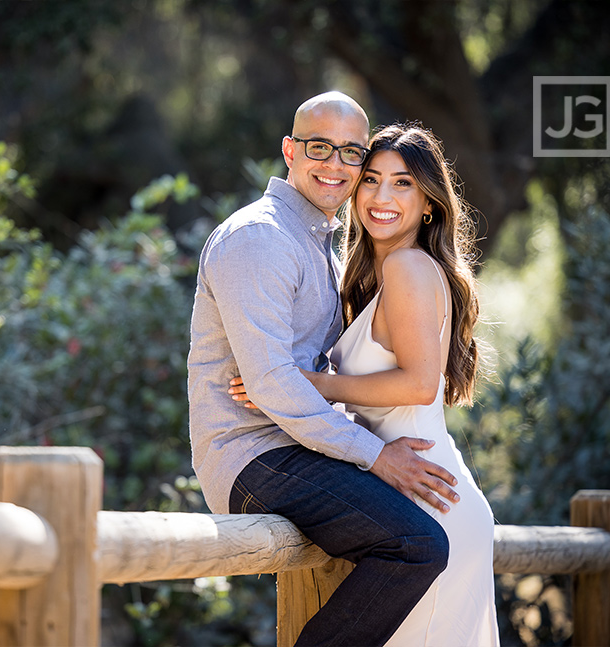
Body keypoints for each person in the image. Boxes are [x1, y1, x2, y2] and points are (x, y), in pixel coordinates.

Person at [188, 92, 461, 646]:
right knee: (415, 546)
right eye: (320, 147)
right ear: (290, 151)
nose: (336, 165)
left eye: (351, 153)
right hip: (254, 453)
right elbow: (270, 384)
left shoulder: (325, 244)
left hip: (300, 447)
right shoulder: (260, 238)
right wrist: (377, 456)